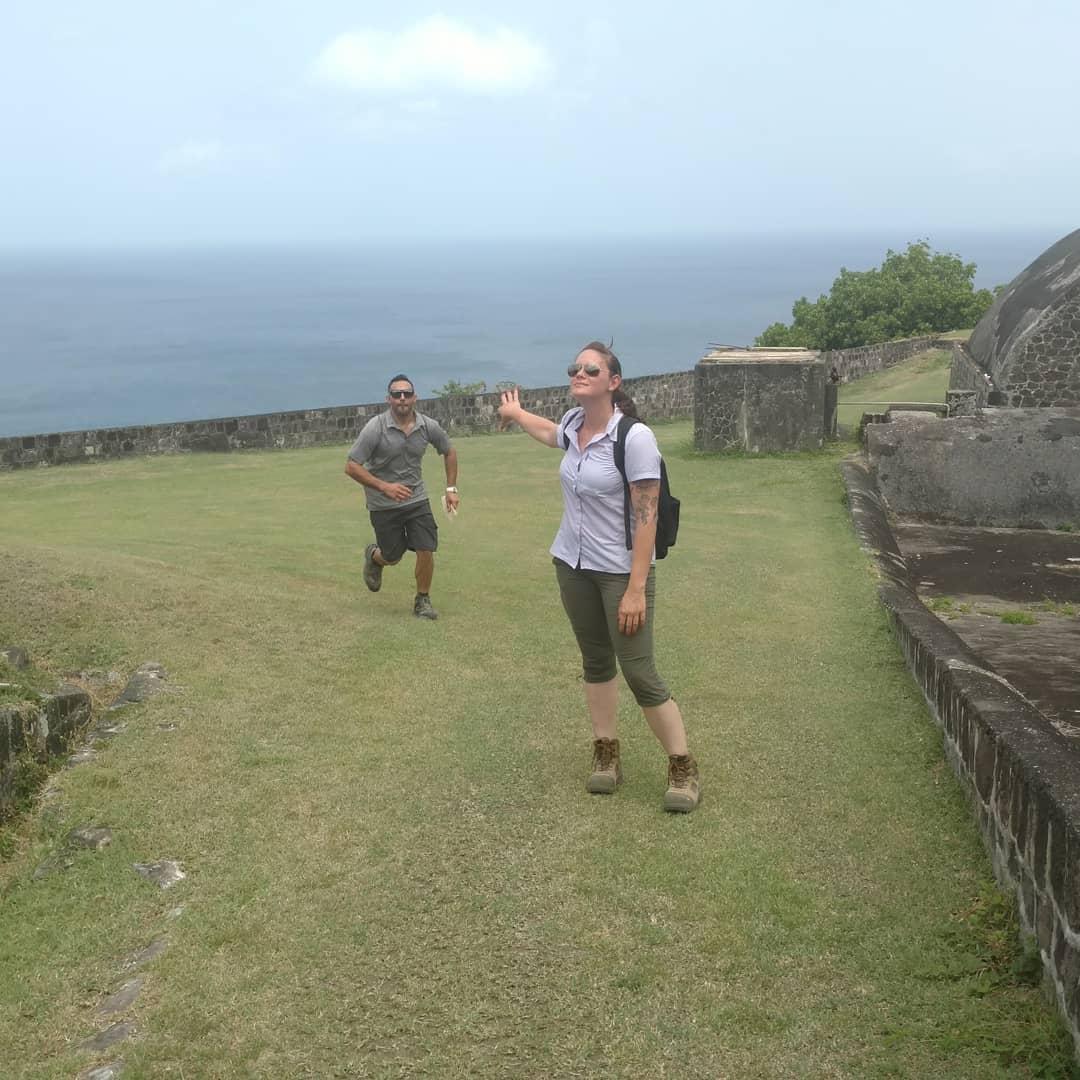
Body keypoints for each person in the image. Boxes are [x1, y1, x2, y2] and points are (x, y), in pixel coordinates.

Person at [497, 342, 700, 812]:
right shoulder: (573, 424)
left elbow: (646, 516)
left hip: (619, 573)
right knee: (595, 660)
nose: (580, 372)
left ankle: (683, 765)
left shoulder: (634, 438)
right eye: (575, 367)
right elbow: (551, 434)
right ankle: (606, 754)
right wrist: (518, 413)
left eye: (592, 368)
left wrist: (635, 588)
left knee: (638, 669)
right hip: (572, 564)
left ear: (613, 381)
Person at [345, 374, 459, 620]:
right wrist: (384, 487)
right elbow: (352, 466)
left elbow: (449, 451)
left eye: (407, 393)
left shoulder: (427, 426)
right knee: (392, 556)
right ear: (389, 399)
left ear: (415, 397)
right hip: (383, 504)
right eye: (396, 394)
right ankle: (374, 556)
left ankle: (422, 600)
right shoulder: (375, 428)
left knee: (426, 548)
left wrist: (451, 489)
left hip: (416, 499)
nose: (402, 398)